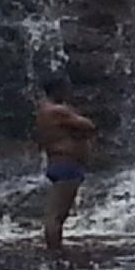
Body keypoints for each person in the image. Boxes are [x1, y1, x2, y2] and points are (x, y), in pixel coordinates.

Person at [33, 76, 97, 259]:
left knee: (58, 213)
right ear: (57, 90)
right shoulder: (56, 110)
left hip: (62, 163)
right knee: (57, 215)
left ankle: (55, 248)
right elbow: (89, 126)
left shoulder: (47, 111)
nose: (69, 92)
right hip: (66, 164)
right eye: (65, 89)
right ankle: (55, 252)